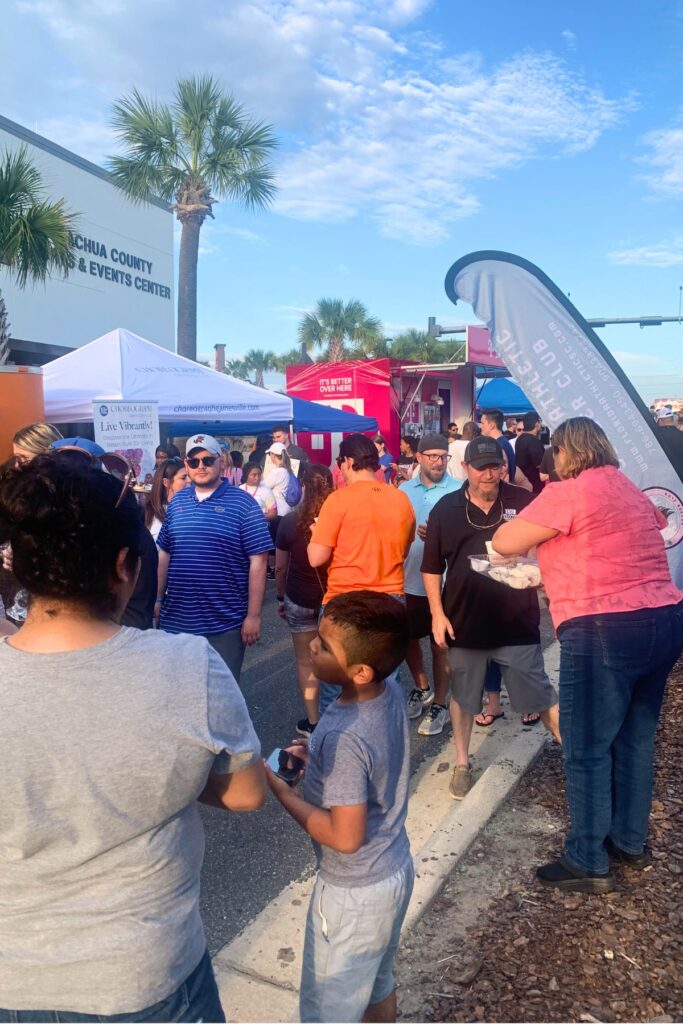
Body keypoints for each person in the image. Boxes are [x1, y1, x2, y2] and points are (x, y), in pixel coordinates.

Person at [0, 455, 265, 1022]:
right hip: (145, 976)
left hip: (13, 978)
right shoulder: (188, 665)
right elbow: (245, 794)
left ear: (19, 565)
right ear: (125, 565)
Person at [492, 417, 683, 892]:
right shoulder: (628, 489)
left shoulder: (570, 490)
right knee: (636, 738)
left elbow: (504, 542)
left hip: (602, 625)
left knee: (586, 747)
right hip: (664, 618)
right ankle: (629, 842)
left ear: (563, 453)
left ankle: (587, 859)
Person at [265, 592, 413, 1024]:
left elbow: (345, 836)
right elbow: (374, 763)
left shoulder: (345, 734)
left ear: (360, 671)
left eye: (326, 646)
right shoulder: (385, 693)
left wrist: (284, 793)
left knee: (328, 1011)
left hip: (353, 893)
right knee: (377, 983)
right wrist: (317, 757)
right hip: (392, 868)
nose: (312, 645)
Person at [421, 435, 560, 800]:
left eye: (495, 466)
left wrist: (545, 576)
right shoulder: (445, 510)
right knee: (464, 698)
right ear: (465, 468)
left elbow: (551, 547)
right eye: (481, 467)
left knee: (540, 695)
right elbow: (432, 567)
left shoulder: (523, 501)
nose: (489, 474)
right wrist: (436, 614)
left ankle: (577, 757)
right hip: (464, 623)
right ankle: (463, 762)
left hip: (517, 622)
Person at [309, 433, 416, 712]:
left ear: (347, 461)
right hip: (390, 596)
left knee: (336, 681)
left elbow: (315, 557)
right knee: (385, 678)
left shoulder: (338, 500)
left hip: (346, 600)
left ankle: (336, 748)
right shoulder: (400, 499)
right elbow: (403, 550)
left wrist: (314, 535)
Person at [156, 434, 272, 682]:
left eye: (208, 460)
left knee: (221, 698)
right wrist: (157, 597)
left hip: (224, 623)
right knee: (179, 693)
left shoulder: (244, 504)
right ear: (186, 464)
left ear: (221, 462)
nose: (201, 466)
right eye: (194, 461)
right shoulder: (177, 503)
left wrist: (253, 616)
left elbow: (259, 561)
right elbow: (164, 552)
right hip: (176, 619)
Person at [399, 433, 461, 735]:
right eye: (432, 456)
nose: (438, 462)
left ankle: (440, 703)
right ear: (419, 458)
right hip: (408, 577)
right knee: (408, 638)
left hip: (445, 582)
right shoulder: (403, 489)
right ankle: (421, 686)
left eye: (443, 456)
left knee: (440, 644)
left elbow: (465, 537)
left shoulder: (460, 490)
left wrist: (439, 537)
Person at [276, 464, 334, 737]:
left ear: (303, 486)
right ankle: (337, 717)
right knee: (337, 659)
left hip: (298, 597)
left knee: (304, 661)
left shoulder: (289, 521)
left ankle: (313, 721)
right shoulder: (338, 518)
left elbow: (280, 568)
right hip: (332, 599)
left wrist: (279, 596)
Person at [144, 457, 190, 541]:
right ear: (166, 482)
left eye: (189, 476)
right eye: (183, 478)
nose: (189, 480)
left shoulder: (192, 507)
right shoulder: (150, 512)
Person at [480, 408, 516, 484]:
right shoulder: (502, 443)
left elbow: (504, 476)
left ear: (492, 425)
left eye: (482, 423)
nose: (481, 426)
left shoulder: (498, 446)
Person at [263, 441, 299, 516]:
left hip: (279, 510)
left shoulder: (278, 472)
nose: (269, 456)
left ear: (273, 455)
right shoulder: (286, 470)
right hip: (286, 509)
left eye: (270, 454)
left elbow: (263, 487)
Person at [514, 412, 545, 494]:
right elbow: (540, 465)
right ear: (536, 424)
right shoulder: (534, 441)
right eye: (540, 421)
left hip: (522, 482)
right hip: (534, 484)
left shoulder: (519, 439)